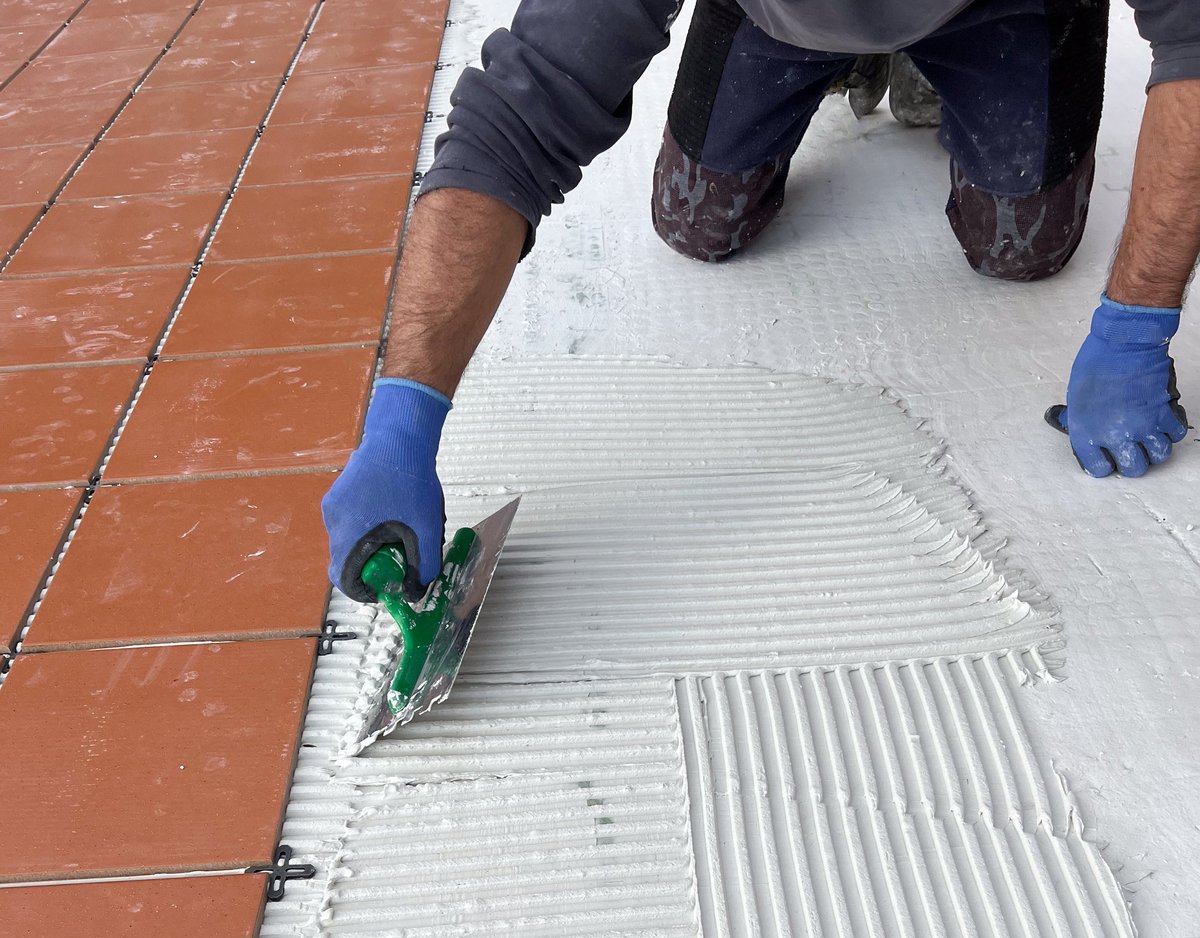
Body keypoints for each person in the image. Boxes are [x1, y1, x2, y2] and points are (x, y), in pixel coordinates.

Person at [323, 0, 1200, 606]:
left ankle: (927, 54)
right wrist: (404, 418)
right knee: (696, 221)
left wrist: (1136, 326)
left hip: (995, 11)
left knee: (1022, 244)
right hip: (782, 17)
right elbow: (512, 124)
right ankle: (841, 45)